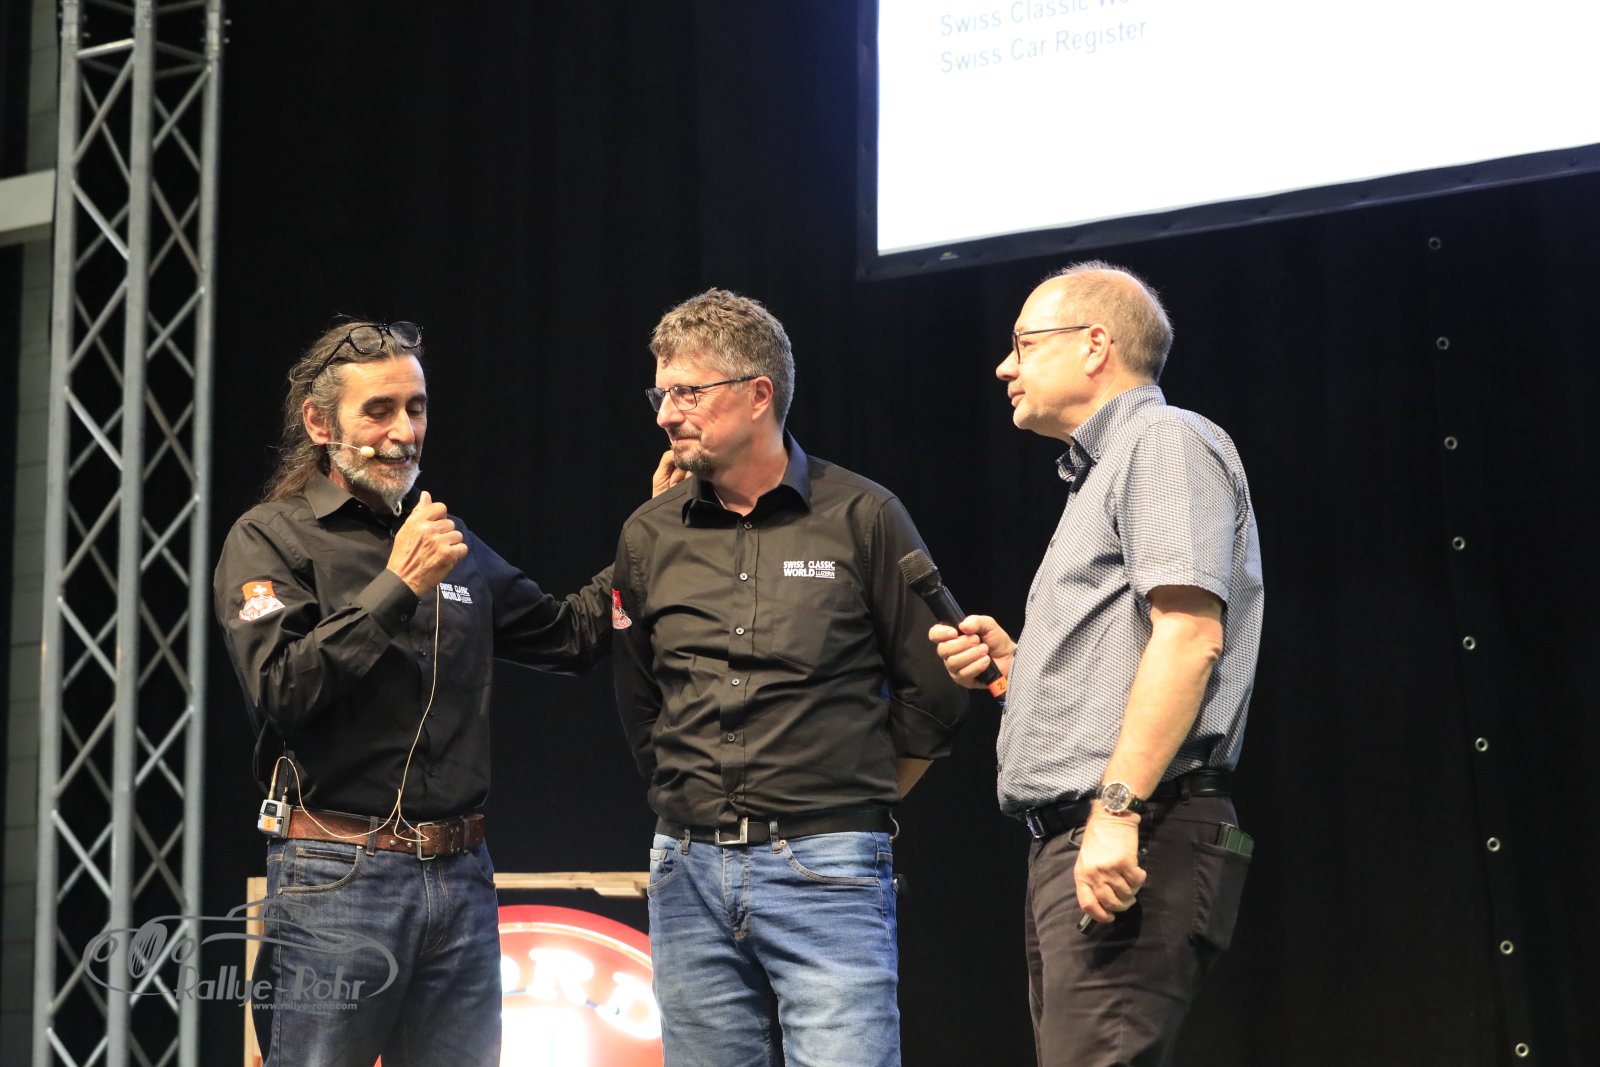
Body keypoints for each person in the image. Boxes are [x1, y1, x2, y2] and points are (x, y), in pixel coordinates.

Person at [214, 319, 628, 1067]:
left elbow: (571, 636)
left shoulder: (444, 537)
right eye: (379, 410)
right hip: (337, 876)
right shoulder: (270, 537)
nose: (404, 432)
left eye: (416, 407)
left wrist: (651, 543)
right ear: (321, 423)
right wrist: (397, 585)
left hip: (460, 875)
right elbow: (281, 689)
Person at [611, 288, 967, 1066]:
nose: (667, 414)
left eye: (687, 392)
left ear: (758, 394)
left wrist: (848, 800)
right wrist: (680, 793)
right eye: (660, 394)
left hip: (826, 866)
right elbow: (639, 694)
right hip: (686, 870)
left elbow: (937, 685)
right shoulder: (648, 532)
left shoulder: (863, 515)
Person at [930, 263, 1264, 1067]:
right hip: (1086, 835)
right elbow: (1136, 650)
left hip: (1136, 825)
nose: (1003, 367)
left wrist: (1116, 810)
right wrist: (1025, 667)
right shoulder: (1101, 473)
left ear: (1094, 346)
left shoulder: (1164, 440)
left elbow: (1189, 635)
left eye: (1023, 345)